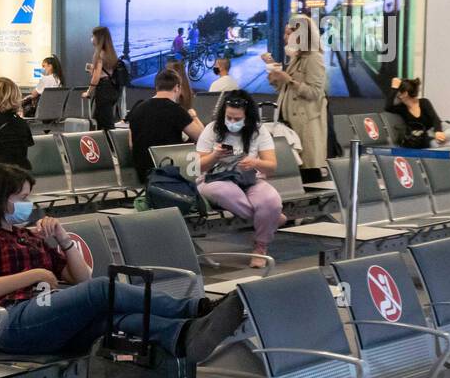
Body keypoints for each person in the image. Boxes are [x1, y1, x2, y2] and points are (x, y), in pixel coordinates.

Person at [0, 164, 244, 359]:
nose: (28, 204)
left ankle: (183, 336)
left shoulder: (26, 235)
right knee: (101, 290)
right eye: (21, 197)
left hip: (49, 314)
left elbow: (80, 278)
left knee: (117, 320)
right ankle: (197, 308)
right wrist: (37, 273)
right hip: (11, 321)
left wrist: (64, 240)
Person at [195, 90, 283, 267]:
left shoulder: (259, 131)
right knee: (224, 191)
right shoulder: (212, 129)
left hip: (249, 180)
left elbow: (271, 166)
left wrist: (255, 162)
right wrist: (215, 156)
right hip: (214, 180)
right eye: (229, 117)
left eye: (237, 119)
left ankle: (260, 247)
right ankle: (269, 219)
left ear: (247, 117)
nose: (232, 122)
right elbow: (197, 166)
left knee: (272, 201)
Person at [264, 14, 328, 180]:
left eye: (288, 33)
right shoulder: (297, 57)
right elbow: (286, 88)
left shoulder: (314, 58)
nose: (285, 38)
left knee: (308, 171)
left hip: (306, 125)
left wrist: (289, 80)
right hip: (291, 123)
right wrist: (276, 78)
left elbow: (314, 92)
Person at [125, 69, 204, 183]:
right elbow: (201, 137)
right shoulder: (176, 110)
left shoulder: (137, 108)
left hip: (143, 173)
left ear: (156, 87)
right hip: (170, 171)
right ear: (177, 88)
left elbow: (132, 145)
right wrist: (194, 116)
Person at [385, 77, 449, 149]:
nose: (397, 94)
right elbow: (388, 107)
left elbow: (435, 119)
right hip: (424, 137)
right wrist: (394, 88)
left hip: (436, 129)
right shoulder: (402, 108)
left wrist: (438, 131)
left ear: (405, 94)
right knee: (437, 145)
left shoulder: (424, 102)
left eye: (398, 92)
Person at [83, 26, 124, 129]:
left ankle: (108, 143)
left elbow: (96, 78)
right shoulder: (111, 54)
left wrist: (88, 92)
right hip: (113, 89)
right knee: (107, 119)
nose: (91, 38)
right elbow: (106, 71)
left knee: (104, 123)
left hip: (103, 90)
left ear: (98, 38)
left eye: (93, 36)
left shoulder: (99, 55)